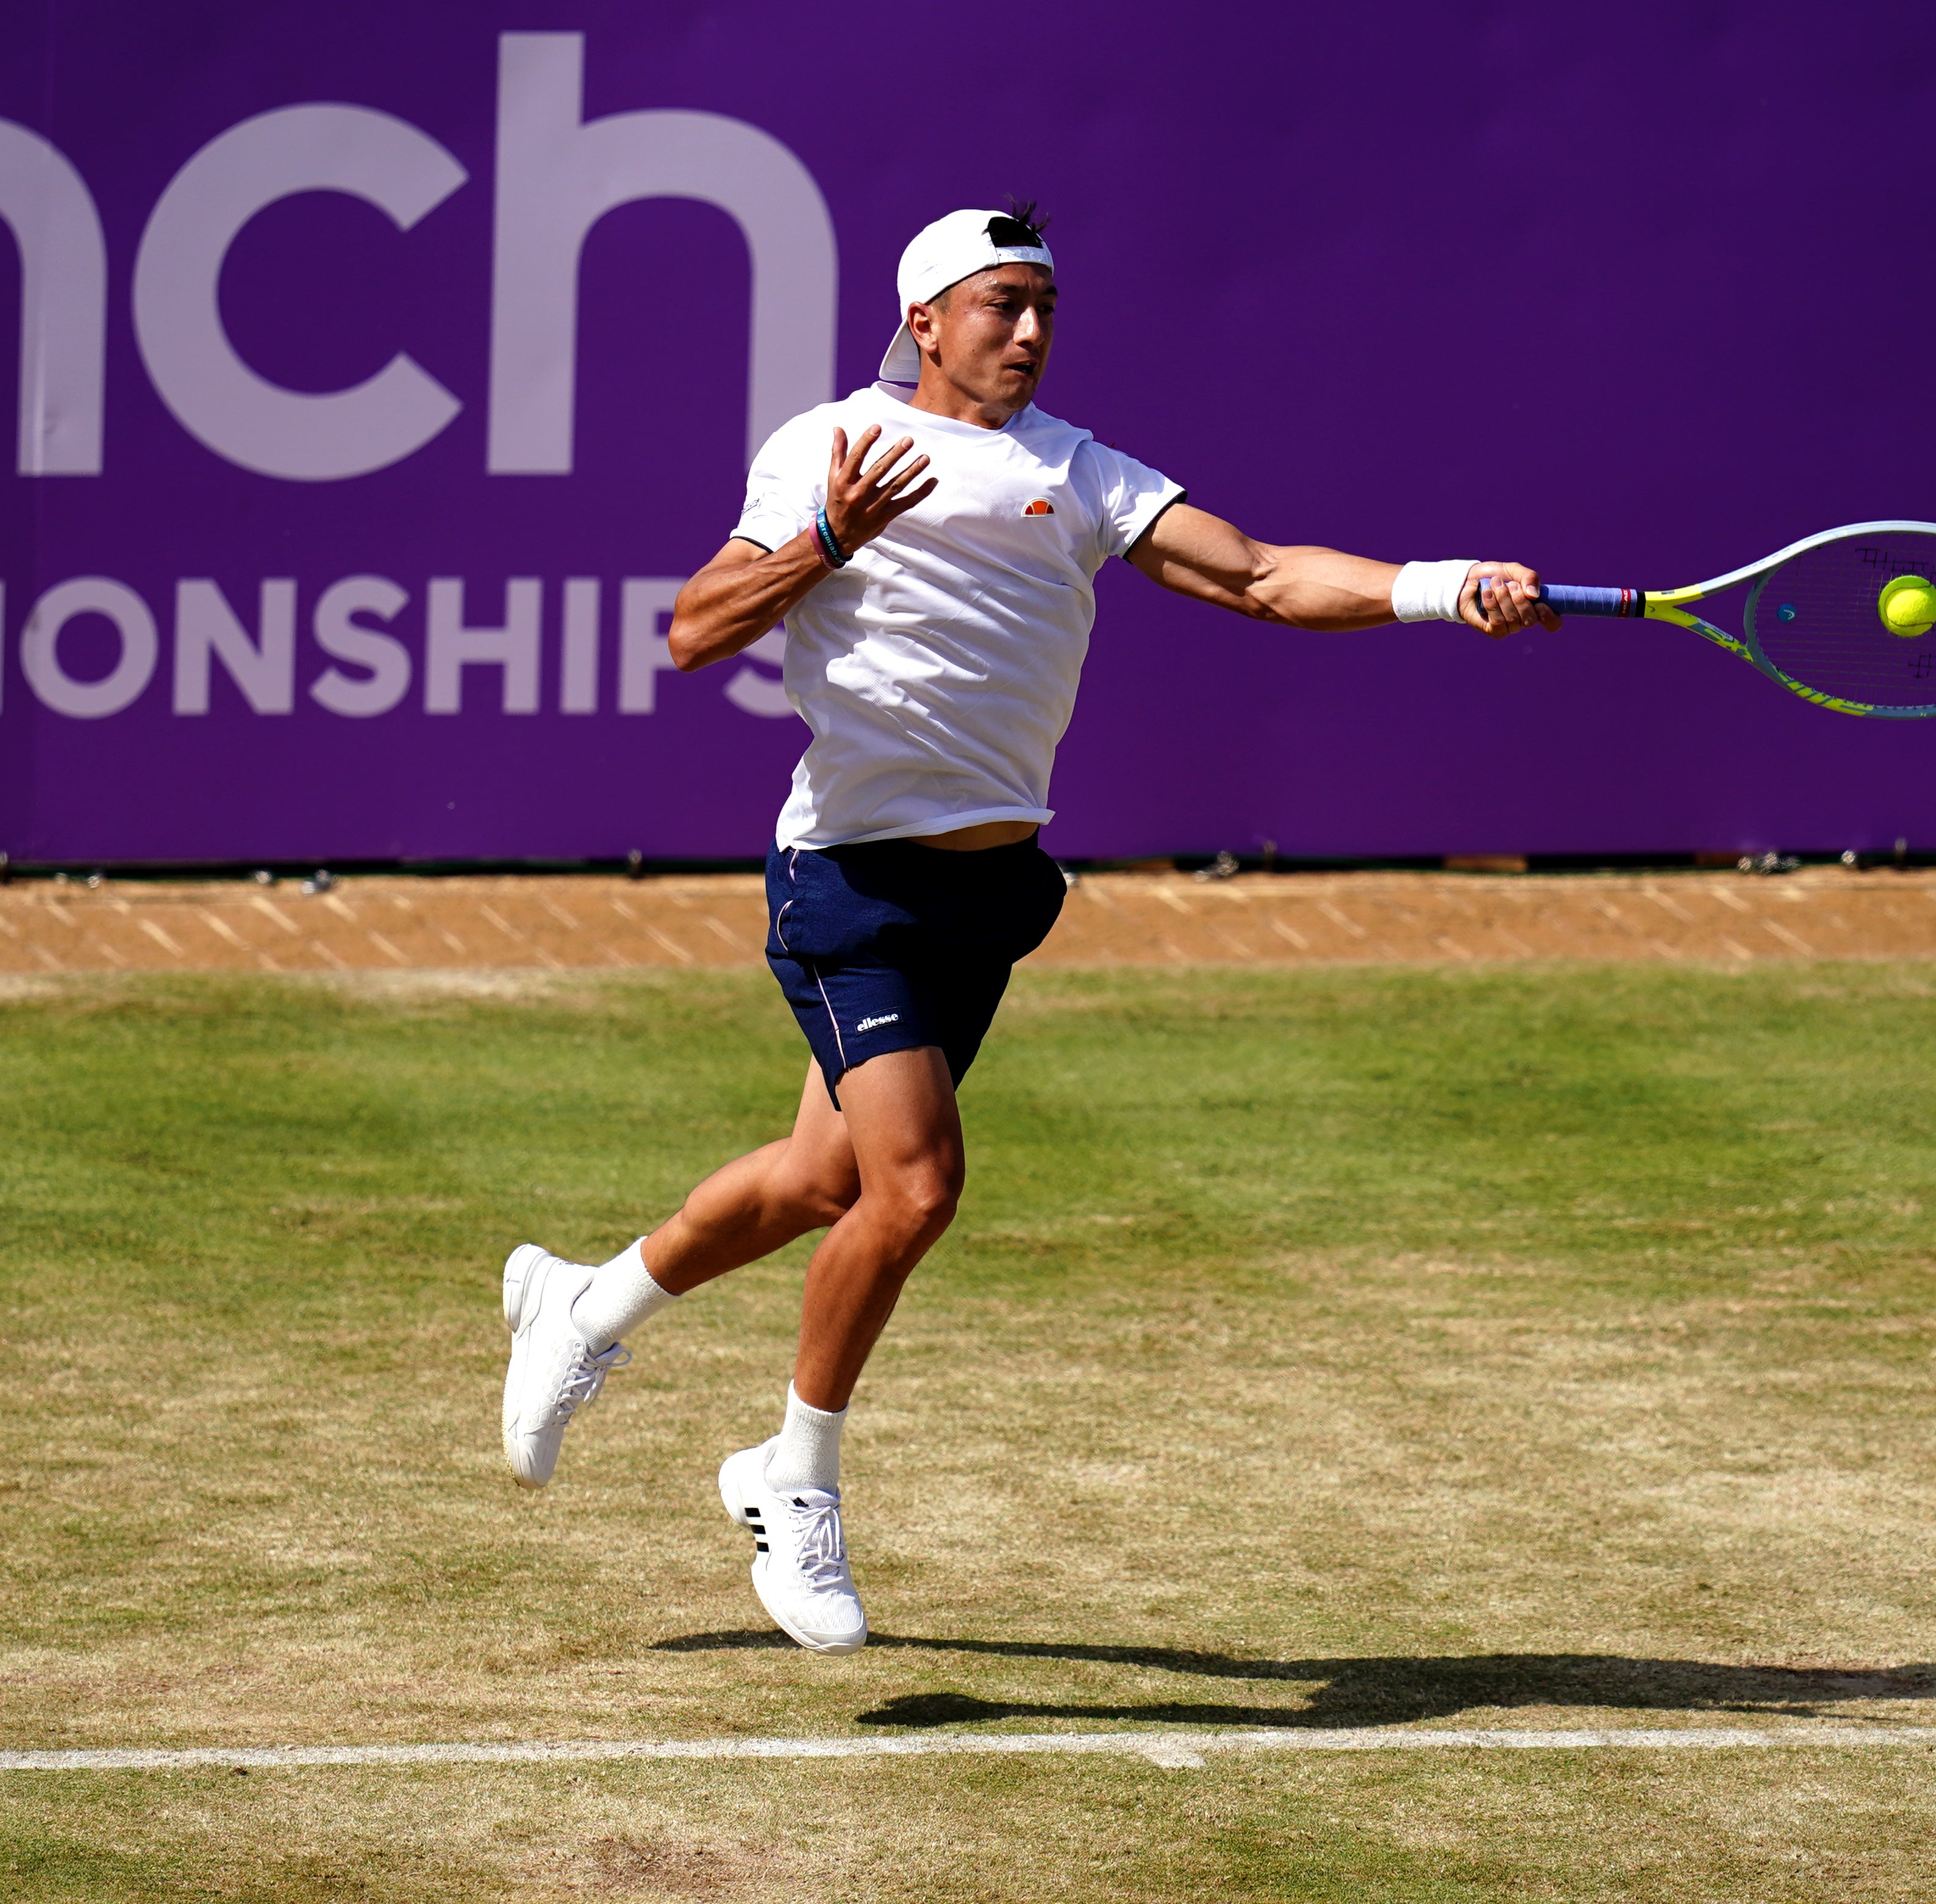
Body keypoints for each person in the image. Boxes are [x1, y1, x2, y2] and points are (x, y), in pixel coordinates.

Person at [498, 204, 1554, 1652]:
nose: (1034, 331)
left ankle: (584, 1308)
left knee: (820, 1179)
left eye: (1049, 306)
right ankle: (789, 1478)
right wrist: (824, 536)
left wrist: (1444, 589)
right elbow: (694, 630)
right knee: (915, 1188)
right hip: (852, 881)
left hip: (988, 894)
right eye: (1004, 305)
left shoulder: (1082, 469)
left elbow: (1257, 575)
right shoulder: (827, 446)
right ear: (926, 320)